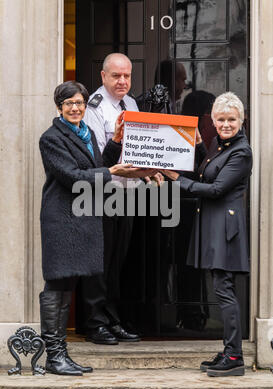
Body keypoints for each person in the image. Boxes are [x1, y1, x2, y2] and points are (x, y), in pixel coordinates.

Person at [39, 80, 157, 375]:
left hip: (84, 218)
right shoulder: (51, 138)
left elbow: (97, 164)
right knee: (58, 285)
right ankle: (54, 356)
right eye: (69, 104)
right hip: (61, 219)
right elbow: (72, 176)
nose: (76, 108)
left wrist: (116, 143)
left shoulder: (88, 132)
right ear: (59, 108)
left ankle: (61, 355)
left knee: (69, 286)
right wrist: (112, 171)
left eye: (79, 103)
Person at [160, 92, 253, 377]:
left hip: (224, 228)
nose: (226, 124)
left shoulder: (241, 151)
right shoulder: (218, 145)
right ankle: (228, 350)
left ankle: (235, 356)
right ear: (213, 120)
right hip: (212, 224)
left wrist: (176, 180)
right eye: (221, 119)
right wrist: (201, 148)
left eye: (231, 119)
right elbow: (207, 175)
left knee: (224, 291)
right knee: (221, 288)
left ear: (241, 120)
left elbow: (215, 189)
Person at [84, 53, 162, 344]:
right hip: (102, 194)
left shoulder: (131, 104)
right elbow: (97, 158)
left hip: (128, 194)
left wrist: (147, 172)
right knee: (100, 261)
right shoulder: (94, 107)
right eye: (116, 76)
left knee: (118, 262)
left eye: (127, 75)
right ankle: (94, 323)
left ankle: (112, 319)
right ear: (103, 76)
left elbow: (137, 150)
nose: (123, 81)